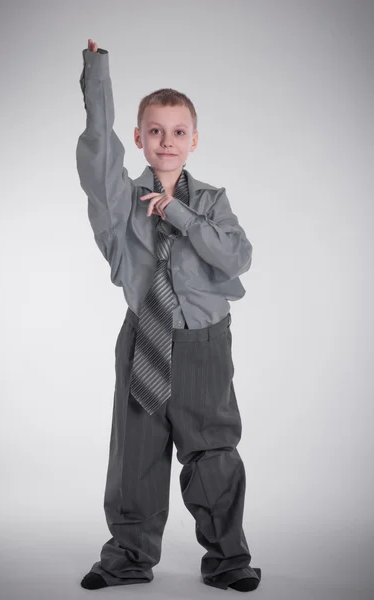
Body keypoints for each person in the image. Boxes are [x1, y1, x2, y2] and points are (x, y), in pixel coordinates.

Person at [76, 38, 261, 592]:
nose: (166, 140)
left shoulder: (211, 202)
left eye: (179, 131)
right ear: (139, 137)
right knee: (136, 454)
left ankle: (228, 560)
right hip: (144, 340)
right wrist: (97, 73)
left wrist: (178, 213)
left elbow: (237, 257)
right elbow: (98, 151)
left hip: (205, 343)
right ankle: (128, 557)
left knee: (212, 452)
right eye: (154, 130)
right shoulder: (118, 200)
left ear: (194, 140)